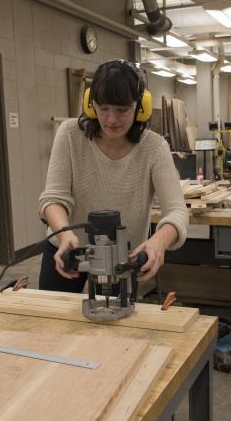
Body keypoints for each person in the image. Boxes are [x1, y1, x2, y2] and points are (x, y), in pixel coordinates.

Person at [38, 59, 189, 293]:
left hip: (122, 259)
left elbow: (177, 211)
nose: (111, 119)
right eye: (103, 108)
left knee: (116, 326)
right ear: (91, 105)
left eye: (122, 109)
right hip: (68, 251)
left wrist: (159, 242)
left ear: (140, 107)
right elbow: (53, 199)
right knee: (53, 325)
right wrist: (65, 234)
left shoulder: (155, 147)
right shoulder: (69, 135)